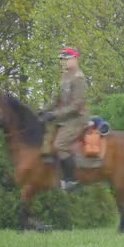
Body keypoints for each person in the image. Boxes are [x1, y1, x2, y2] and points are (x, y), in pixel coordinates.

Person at [39, 48, 90, 191]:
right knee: (45, 140)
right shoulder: (65, 77)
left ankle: (71, 180)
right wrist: (45, 109)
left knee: (60, 145)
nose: (63, 62)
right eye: (61, 59)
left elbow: (76, 105)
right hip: (64, 118)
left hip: (76, 119)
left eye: (66, 59)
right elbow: (57, 99)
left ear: (75, 59)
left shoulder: (78, 78)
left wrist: (55, 114)